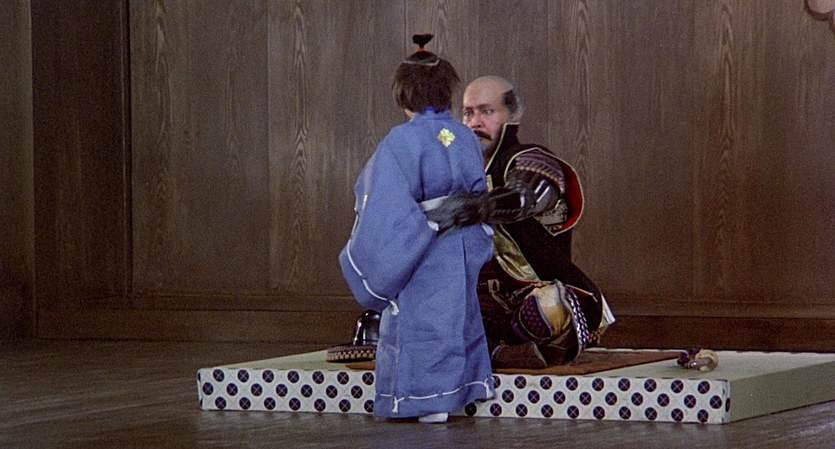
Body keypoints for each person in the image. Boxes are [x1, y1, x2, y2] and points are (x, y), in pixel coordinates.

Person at [332, 75, 615, 369]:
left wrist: (477, 208)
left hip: (529, 297)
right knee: (390, 315)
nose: (475, 122)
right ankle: (494, 351)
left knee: (549, 307)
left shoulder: (530, 158)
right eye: (468, 113)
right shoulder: (450, 170)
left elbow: (528, 195)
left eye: (487, 111)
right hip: (470, 300)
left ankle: (503, 347)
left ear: (514, 116)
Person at [337, 35, 495, 423]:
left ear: (404, 95)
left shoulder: (401, 141)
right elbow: (478, 196)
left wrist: (415, 230)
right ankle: (456, 394)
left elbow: (384, 204)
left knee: (419, 322)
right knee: (456, 318)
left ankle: (424, 401)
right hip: (461, 244)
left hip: (422, 246)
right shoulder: (463, 136)